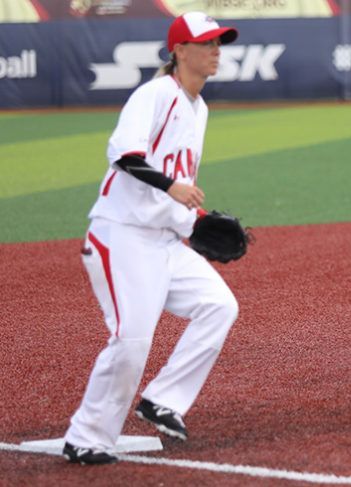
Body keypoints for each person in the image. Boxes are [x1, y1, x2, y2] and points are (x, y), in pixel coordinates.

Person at [62, 12, 239, 465]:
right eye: (207, 43)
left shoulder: (199, 107)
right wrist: (171, 189)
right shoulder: (155, 93)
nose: (216, 50)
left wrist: (194, 221)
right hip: (121, 236)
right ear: (179, 50)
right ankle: (86, 436)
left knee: (219, 306)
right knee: (131, 340)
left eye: (220, 42)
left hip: (163, 240)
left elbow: (175, 182)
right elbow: (122, 153)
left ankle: (162, 400)